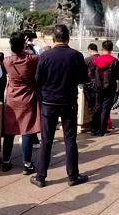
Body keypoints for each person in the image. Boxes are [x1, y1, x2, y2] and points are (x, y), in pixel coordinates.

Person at [32, 25, 89, 188]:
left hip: (49, 103)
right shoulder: (77, 56)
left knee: (47, 140)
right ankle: (73, 176)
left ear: (53, 39)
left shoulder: (45, 56)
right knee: (70, 139)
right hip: (69, 102)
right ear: (68, 38)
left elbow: (38, 80)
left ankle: (41, 176)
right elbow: (83, 79)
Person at [2, 32, 41, 174]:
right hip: (27, 98)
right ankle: (27, 164)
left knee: (9, 131)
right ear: (23, 44)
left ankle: (6, 161)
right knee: (27, 131)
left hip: (12, 99)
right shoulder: (32, 59)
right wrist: (34, 44)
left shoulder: (7, 61)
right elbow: (44, 53)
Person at [88, 40, 119, 136]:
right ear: (111, 49)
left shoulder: (95, 60)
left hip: (97, 87)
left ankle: (94, 129)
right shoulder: (114, 61)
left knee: (97, 107)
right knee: (106, 108)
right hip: (109, 88)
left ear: (102, 49)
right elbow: (118, 75)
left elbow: (90, 74)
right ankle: (103, 129)